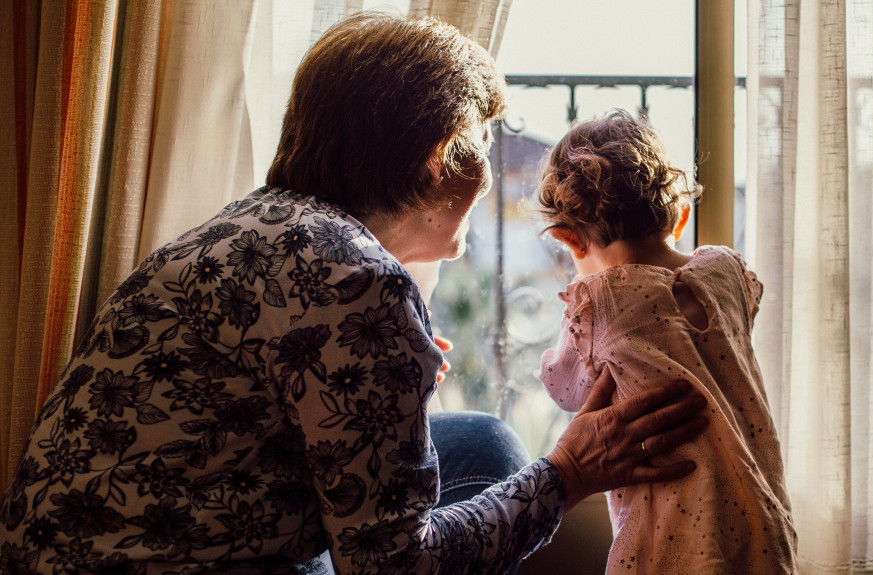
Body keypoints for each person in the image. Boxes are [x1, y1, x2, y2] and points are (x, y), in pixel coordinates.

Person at [0, 14, 710, 575]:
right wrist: (571, 470)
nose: (489, 171)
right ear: (439, 159)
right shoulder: (361, 283)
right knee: (510, 464)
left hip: (61, 552)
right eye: (481, 143)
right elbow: (395, 566)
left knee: (485, 442)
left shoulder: (250, 225)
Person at [536, 110, 796, 574]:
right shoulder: (724, 270)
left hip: (671, 532)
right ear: (681, 219)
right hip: (760, 510)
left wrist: (556, 349)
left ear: (570, 240)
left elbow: (569, 391)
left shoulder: (601, 299)